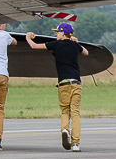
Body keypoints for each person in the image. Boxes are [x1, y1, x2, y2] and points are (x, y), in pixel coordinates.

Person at [26, 23, 88, 152]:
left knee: (65, 111)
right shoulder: (75, 45)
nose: (56, 34)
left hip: (63, 83)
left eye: (57, 32)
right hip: (76, 83)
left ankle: (65, 129)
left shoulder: (55, 45)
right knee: (75, 113)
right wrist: (76, 42)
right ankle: (75, 144)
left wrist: (28, 37)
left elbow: (34, 46)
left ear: (62, 33)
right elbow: (86, 53)